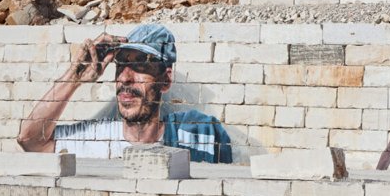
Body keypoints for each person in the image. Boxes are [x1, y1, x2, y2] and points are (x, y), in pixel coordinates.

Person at [18, 25, 232, 163]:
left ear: (165, 80)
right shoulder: (96, 139)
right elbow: (30, 140)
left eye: (139, 66)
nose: (125, 78)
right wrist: (74, 77)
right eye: (121, 65)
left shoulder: (200, 134)